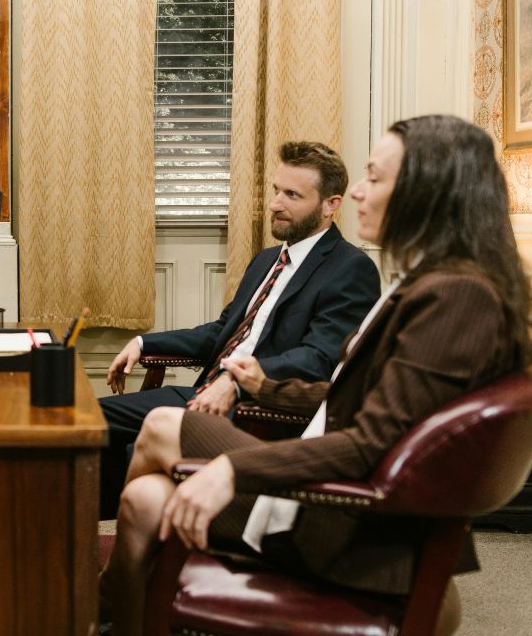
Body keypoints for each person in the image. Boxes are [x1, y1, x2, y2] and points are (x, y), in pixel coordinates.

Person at [99, 115, 532, 635]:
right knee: (142, 498)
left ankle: (96, 609)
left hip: (343, 523)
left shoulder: (455, 296)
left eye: (375, 177)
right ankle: (110, 613)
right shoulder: (439, 283)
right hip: (348, 498)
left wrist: (233, 471)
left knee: (158, 434)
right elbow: (371, 400)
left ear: (429, 193)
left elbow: (367, 443)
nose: (356, 191)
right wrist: (267, 386)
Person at [98, 141, 380, 518]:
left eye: (292, 195)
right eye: (276, 190)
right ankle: (77, 535)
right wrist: (143, 341)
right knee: (91, 422)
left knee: (129, 441)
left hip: (252, 410)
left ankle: (126, 533)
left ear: (331, 204)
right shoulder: (266, 260)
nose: (276, 204)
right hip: (202, 392)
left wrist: (234, 380)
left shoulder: (349, 269)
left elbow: (318, 357)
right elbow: (221, 332)